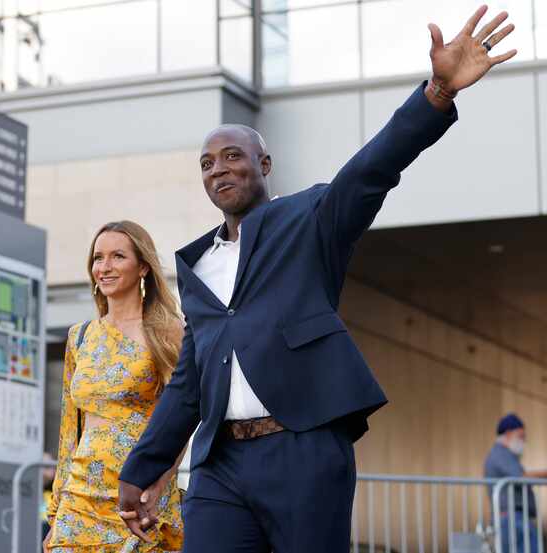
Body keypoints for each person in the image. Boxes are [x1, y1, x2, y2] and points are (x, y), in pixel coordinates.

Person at [118, 6, 518, 553]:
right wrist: (142, 468)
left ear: (265, 164)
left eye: (233, 156)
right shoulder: (197, 267)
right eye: (207, 163)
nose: (219, 169)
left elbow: (371, 169)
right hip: (219, 468)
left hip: (303, 451)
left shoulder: (308, 221)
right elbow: (190, 382)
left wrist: (437, 93)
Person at [44, 221, 184, 553]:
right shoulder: (80, 335)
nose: (104, 268)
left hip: (138, 490)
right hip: (80, 495)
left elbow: (181, 416)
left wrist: (160, 484)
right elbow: (69, 431)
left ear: (143, 267)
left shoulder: (166, 331)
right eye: (98, 258)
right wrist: (56, 512)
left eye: (118, 256)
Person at [484, 413, 547, 553]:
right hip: (512, 518)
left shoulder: (505, 455)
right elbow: (522, 477)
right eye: (521, 437)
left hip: (514, 517)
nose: (524, 441)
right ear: (508, 434)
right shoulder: (501, 454)